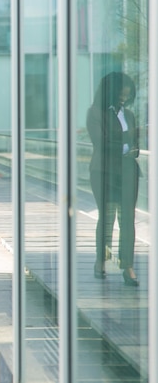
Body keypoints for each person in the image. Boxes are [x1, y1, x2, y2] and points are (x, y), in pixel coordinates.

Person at [86, 71, 140, 287]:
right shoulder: (95, 113)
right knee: (107, 218)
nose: (124, 100)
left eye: (127, 96)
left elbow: (135, 145)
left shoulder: (129, 115)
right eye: (120, 96)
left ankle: (127, 265)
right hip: (104, 172)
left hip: (128, 171)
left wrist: (133, 147)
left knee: (127, 220)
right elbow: (102, 144)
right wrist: (128, 138)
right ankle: (101, 260)